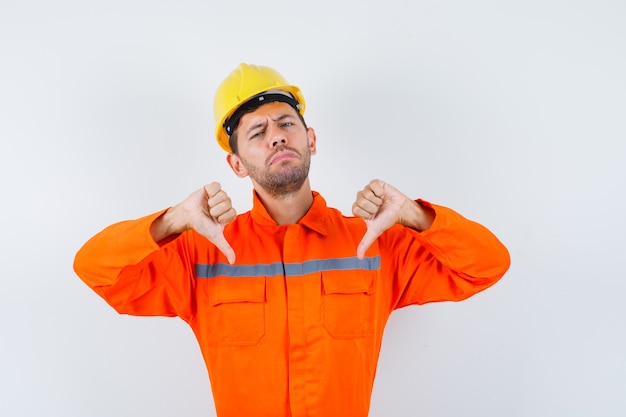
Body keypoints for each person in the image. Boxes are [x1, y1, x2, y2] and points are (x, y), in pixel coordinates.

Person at [74, 63, 510, 417]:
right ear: (237, 164)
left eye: (286, 122)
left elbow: (487, 265)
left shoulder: (374, 245)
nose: (277, 135)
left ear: (311, 140)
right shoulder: (200, 255)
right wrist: (171, 223)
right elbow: (95, 270)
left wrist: (415, 216)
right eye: (257, 132)